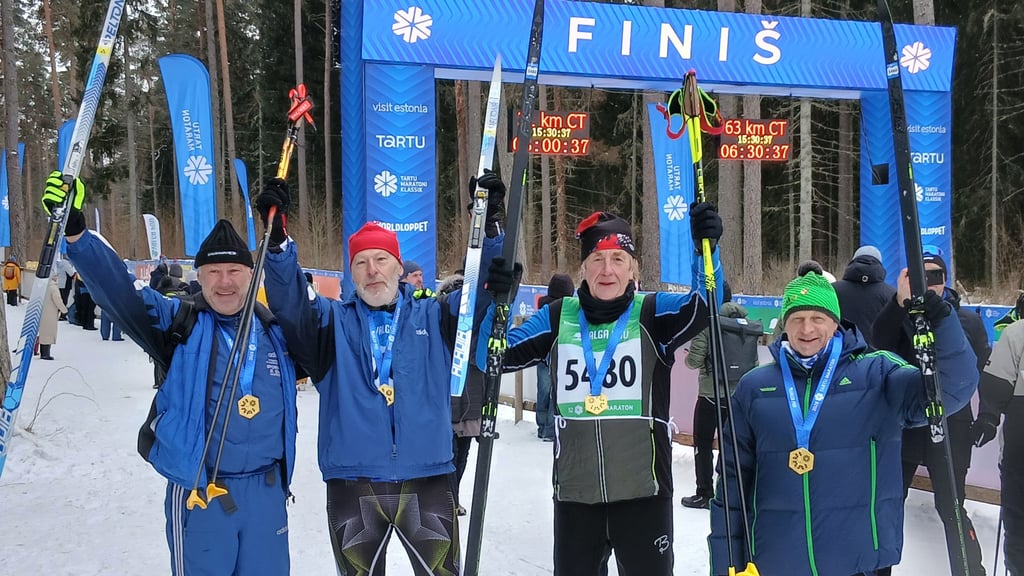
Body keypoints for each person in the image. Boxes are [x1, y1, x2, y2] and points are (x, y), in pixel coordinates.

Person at [43, 171, 300, 576]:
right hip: (201, 496)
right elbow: (122, 293)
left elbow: (300, 303)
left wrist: (280, 239)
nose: (225, 282)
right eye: (213, 273)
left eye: (234, 271)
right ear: (199, 277)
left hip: (266, 496)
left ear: (251, 277)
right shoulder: (180, 322)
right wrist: (77, 234)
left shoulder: (275, 331)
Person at [258, 170, 506, 575]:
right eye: (362, 263)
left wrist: (489, 225)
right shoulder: (330, 323)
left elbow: (479, 289)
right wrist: (278, 243)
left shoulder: (436, 314)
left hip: (427, 479)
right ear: (351, 274)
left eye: (381, 260)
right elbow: (290, 305)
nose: (373, 270)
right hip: (353, 484)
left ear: (398, 267)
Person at [496, 205, 724, 575]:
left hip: (643, 496)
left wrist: (706, 253)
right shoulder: (557, 316)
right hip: (576, 496)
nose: (607, 270)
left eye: (618, 259)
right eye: (597, 259)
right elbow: (495, 358)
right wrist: (496, 302)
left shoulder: (651, 312)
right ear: (583, 268)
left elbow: (703, 306)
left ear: (633, 268)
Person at [708, 269, 978, 576]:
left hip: (854, 563)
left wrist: (943, 324)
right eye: (797, 318)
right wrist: (725, 564)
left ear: (835, 322)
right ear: (784, 324)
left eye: (817, 318)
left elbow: (952, 390)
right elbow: (731, 486)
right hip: (773, 562)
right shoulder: (754, 387)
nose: (806, 328)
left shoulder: (877, 373)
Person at [871, 251, 989, 576]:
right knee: (889, 502)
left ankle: (970, 571)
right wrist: (899, 301)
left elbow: (975, 369)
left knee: (951, 507)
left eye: (935, 276)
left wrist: (988, 416)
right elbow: (878, 341)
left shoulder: (967, 320)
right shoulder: (901, 314)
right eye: (921, 276)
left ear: (946, 280)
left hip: (951, 424)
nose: (929, 284)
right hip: (907, 424)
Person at [680, 281, 760, 510]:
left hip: (709, 396)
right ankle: (728, 492)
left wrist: (690, 356)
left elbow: (693, 361)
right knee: (730, 446)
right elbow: (753, 363)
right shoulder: (746, 325)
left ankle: (704, 493)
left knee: (703, 445)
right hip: (736, 398)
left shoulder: (707, 325)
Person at [973, 318, 1024, 575]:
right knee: (1018, 531)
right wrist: (988, 418)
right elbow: (995, 385)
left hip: (1018, 454)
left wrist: (989, 417)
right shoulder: (1018, 333)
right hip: (1019, 455)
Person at [534, 273, 575, 442]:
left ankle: (541, 425)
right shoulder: (566, 309)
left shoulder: (542, 307)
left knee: (543, 391)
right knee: (555, 392)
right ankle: (550, 429)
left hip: (541, 353)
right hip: (559, 352)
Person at [831, 245, 896, 343]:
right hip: (878, 355)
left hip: (842, 352)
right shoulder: (892, 295)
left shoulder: (832, 290)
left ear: (853, 261)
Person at [38, 274, 67, 360]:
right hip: (50, 312)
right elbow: (57, 299)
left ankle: (43, 352)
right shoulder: (53, 287)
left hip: (42, 311)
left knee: (43, 332)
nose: (57, 277)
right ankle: (46, 354)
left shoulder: (43, 285)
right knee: (49, 332)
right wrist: (64, 310)